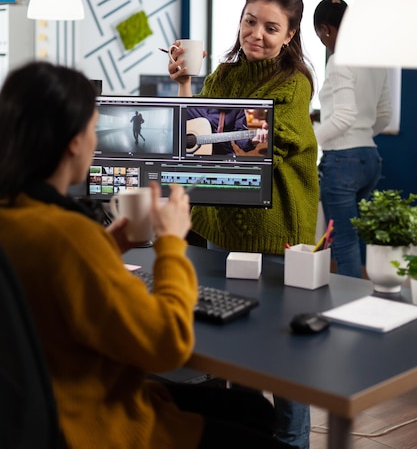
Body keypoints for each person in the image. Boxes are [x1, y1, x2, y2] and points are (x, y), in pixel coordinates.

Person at [0, 61, 289, 449]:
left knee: (252, 409)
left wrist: (108, 245)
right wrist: (171, 242)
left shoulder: (18, 217)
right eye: (94, 124)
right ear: (73, 140)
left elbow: (54, 282)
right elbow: (167, 346)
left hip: (43, 410)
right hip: (97, 424)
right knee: (257, 426)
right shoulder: (70, 237)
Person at [169, 0, 319, 449]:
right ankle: (251, 437)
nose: (256, 33)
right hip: (223, 224)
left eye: (271, 28)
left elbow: (255, 143)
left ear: (290, 35)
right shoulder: (225, 76)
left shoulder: (294, 85)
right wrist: (187, 85)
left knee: (286, 351)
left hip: (275, 230)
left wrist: (215, 136)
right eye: (249, 21)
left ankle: (292, 442)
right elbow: (200, 133)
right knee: (236, 343)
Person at [313, 0, 392, 278]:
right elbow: (385, 113)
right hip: (370, 159)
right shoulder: (374, 61)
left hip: (342, 162)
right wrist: (361, 136)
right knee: (351, 239)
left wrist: (310, 142)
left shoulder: (339, 60)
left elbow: (344, 116)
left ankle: (349, 311)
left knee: (344, 246)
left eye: (322, 36)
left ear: (326, 29)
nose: (324, 42)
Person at [186, 105, 268, 156]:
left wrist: (252, 141)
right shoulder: (192, 103)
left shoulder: (235, 108)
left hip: (224, 156)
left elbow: (241, 140)